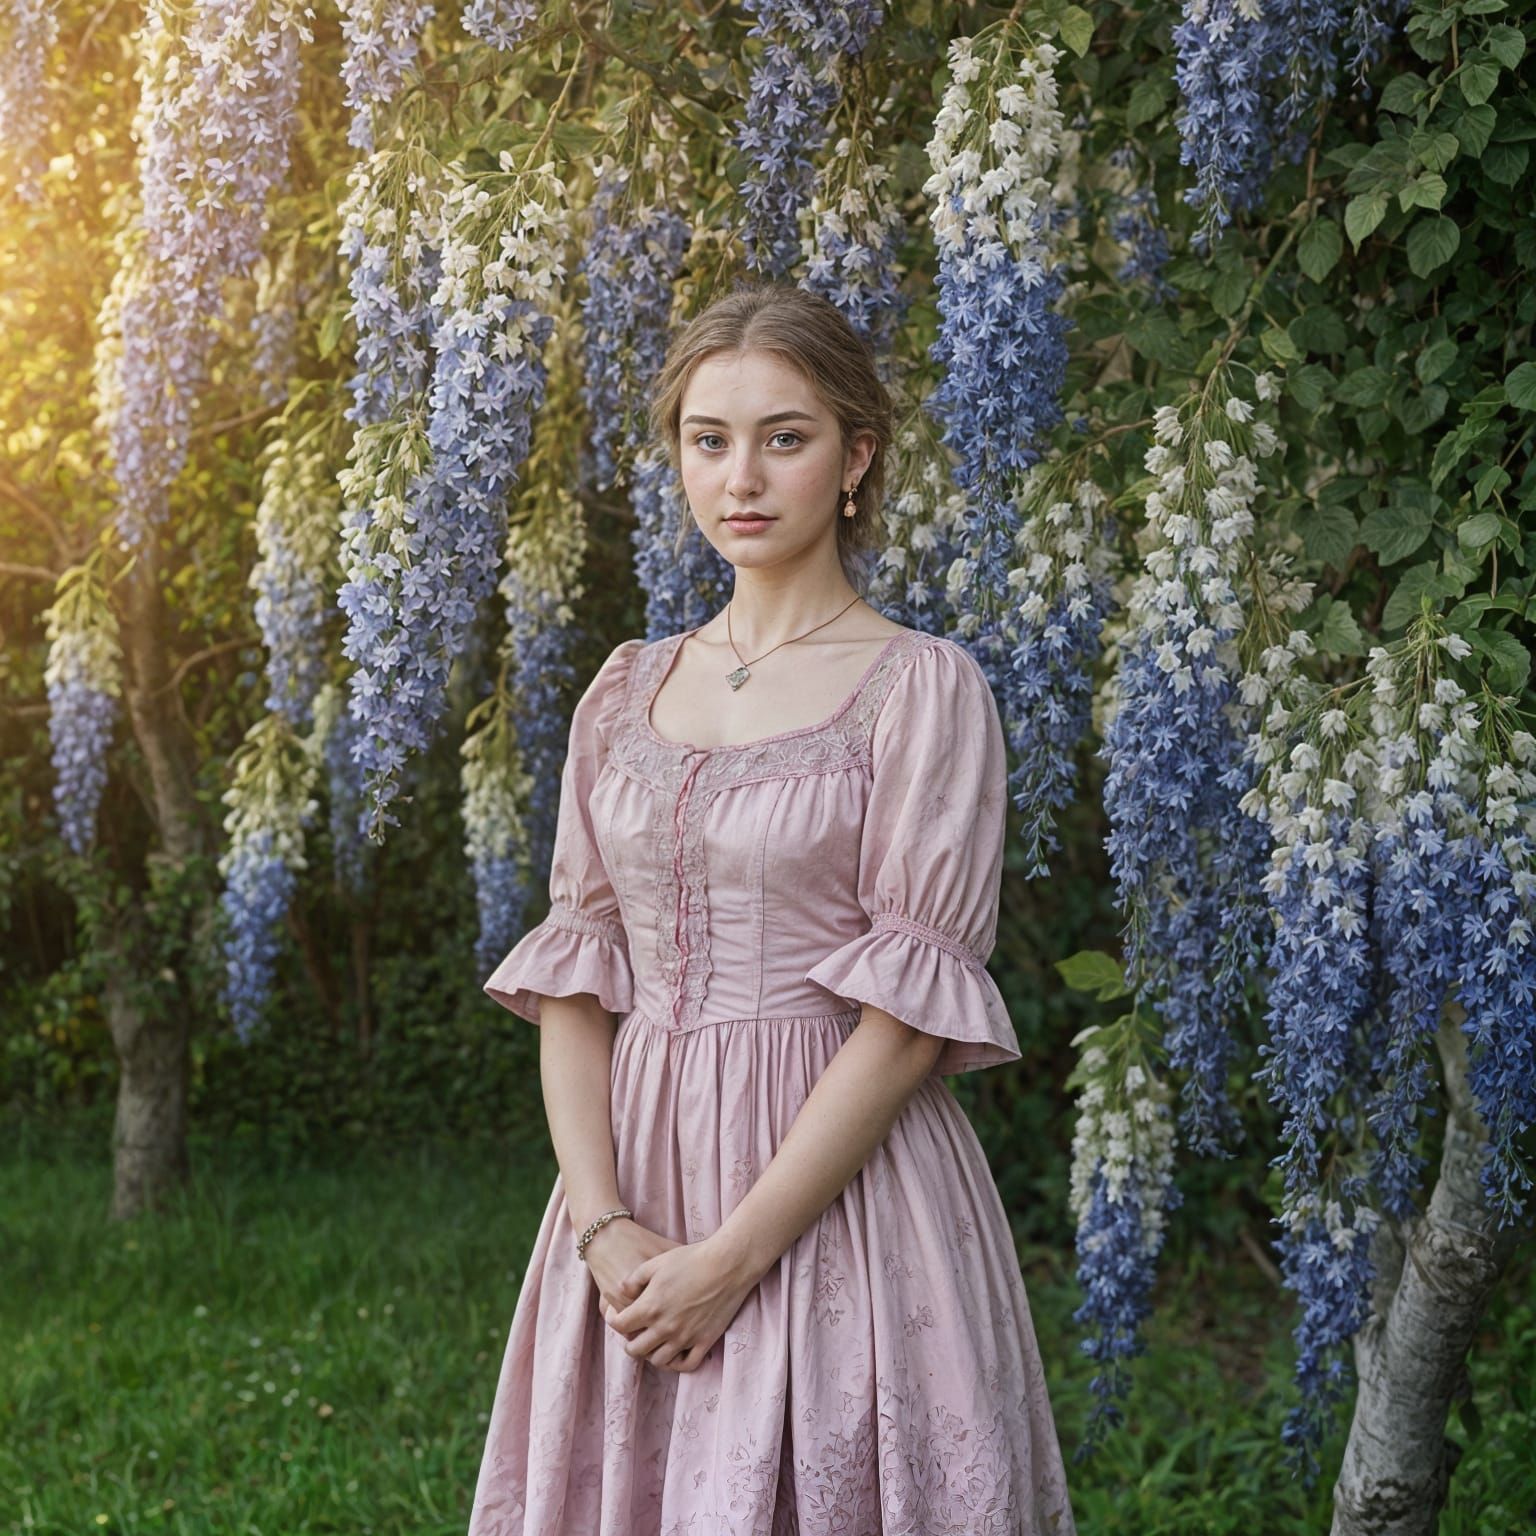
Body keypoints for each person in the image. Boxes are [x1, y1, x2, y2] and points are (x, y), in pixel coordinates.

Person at [467, 282, 1077, 1534]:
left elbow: (907, 1020)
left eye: (784, 438)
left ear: (856, 458)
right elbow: (578, 978)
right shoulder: (624, 690)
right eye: (709, 439)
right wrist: (605, 1230)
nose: (740, 477)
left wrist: (733, 1261)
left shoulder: (922, 689)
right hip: (631, 1196)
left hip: (840, 1198)